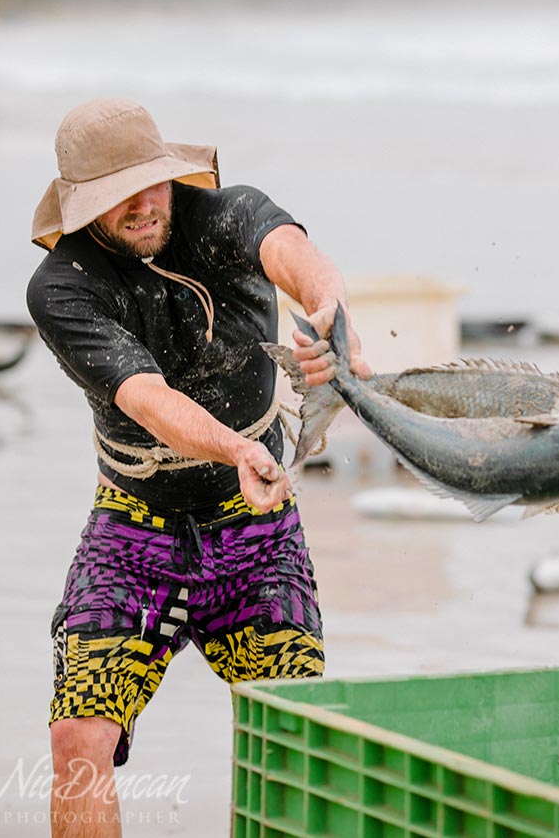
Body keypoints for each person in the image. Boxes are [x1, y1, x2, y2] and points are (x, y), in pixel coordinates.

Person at [27, 97, 372, 837]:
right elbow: (147, 399)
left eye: (151, 182)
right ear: (82, 205)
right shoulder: (64, 287)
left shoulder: (221, 216)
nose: (144, 205)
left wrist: (328, 306)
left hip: (252, 526)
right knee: (77, 738)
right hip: (131, 530)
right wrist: (239, 447)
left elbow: (293, 255)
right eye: (117, 196)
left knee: (294, 739)